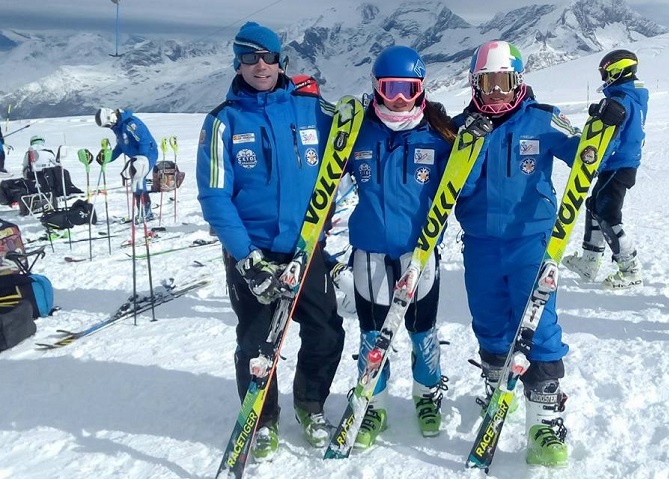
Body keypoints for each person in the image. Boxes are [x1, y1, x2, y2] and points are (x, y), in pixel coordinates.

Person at [451, 40, 622, 467]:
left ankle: (545, 421)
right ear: (475, 84)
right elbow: (446, 185)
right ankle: (496, 387)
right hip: (481, 243)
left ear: (518, 81)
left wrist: (606, 131)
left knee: (539, 325)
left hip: (532, 242)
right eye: (487, 82)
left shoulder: (543, 120)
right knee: (489, 320)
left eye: (504, 82)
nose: (496, 92)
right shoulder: (462, 127)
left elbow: (589, 157)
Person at [195, 22, 344, 461]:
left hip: (306, 247)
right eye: (249, 57)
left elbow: (356, 141)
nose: (260, 65)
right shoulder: (222, 121)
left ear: (282, 61)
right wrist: (246, 258)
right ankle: (262, 418)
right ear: (237, 61)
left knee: (325, 331)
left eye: (268, 57)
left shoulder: (313, 109)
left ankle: (310, 403)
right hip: (254, 251)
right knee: (257, 342)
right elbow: (214, 196)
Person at [344, 45, 455, 449]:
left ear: (421, 88)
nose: (399, 99)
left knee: (421, 330)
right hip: (369, 250)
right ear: (376, 87)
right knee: (373, 333)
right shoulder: (359, 132)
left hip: (419, 251)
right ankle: (373, 403)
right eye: (389, 89)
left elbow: (465, 181)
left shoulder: (440, 135)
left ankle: (427, 396)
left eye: (408, 89)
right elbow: (330, 176)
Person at [562, 49, 648, 289]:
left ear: (617, 70)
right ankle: (589, 262)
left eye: (605, 73)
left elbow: (612, 138)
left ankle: (630, 269)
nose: (604, 79)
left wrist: (592, 162)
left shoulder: (620, 101)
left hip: (619, 165)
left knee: (608, 214)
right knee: (594, 205)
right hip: (620, 164)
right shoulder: (631, 96)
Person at [94, 108, 158, 221]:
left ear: (111, 117)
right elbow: (121, 146)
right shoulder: (118, 127)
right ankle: (142, 211)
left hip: (147, 154)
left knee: (139, 181)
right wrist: (108, 158)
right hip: (135, 157)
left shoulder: (130, 123)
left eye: (108, 125)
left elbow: (144, 140)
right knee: (135, 183)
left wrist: (141, 158)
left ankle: (146, 213)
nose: (109, 127)